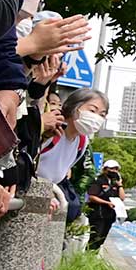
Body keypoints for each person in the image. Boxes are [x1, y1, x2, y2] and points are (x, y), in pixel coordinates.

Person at [38, 88, 107, 221]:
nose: (97, 118)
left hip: (49, 198)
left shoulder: (82, 142)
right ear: (74, 107)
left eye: (102, 114)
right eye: (92, 111)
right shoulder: (52, 130)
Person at [85, 159, 124, 250]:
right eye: (111, 169)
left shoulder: (115, 183)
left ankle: (93, 256)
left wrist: (120, 185)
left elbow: (121, 198)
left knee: (101, 239)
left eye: (116, 169)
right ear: (105, 169)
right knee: (95, 238)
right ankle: (88, 256)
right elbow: (92, 197)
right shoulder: (98, 181)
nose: (114, 171)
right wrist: (107, 203)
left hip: (109, 215)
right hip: (98, 215)